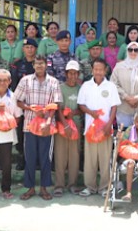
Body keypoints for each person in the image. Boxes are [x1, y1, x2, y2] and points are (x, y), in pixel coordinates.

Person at [15, 55, 62, 201]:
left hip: (47, 127)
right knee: (29, 157)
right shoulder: (25, 80)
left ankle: (44, 188)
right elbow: (18, 100)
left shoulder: (53, 82)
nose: (40, 66)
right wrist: (31, 108)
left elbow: (56, 103)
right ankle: (30, 188)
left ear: (46, 65)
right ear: (34, 65)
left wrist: (48, 120)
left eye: (42, 64)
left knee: (45, 157)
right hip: (29, 125)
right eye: (37, 64)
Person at [78, 59, 121, 197]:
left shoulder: (111, 86)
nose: (98, 72)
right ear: (92, 70)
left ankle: (104, 187)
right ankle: (90, 187)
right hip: (90, 129)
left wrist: (109, 125)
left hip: (105, 129)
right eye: (95, 69)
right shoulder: (86, 85)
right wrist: (92, 113)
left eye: (100, 69)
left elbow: (114, 106)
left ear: (105, 70)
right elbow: (81, 105)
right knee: (90, 160)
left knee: (104, 159)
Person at [53, 60, 82, 197]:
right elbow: (58, 109)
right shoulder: (60, 87)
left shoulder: (81, 88)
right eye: (70, 73)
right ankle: (59, 185)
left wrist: (75, 113)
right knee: (60, 156)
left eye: (75, 73)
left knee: (74, 157)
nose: (73, 76)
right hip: (62, 127)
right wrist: (65, 124)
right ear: (66, 74)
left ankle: (72, 184)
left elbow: (83, 108)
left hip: (76, 126)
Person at [0, 69, 20, 199]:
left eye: (5, 80)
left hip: (7, 135)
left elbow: (17, 116)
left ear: (10, 81)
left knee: (6, 165)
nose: (2, 83)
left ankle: (6, 189)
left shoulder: (13, 96)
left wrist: (9, 125)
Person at [111, 42, 138, 128]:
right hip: (123, 106)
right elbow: (113, 84)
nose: (133, 52)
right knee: (124, 134)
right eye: (130, 50)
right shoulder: (119, 67)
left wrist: (137, 98)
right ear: (127, 51)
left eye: (136, 50)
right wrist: (126, 97)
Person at [10, 38, 37, 171]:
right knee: (21, 132)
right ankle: (22, 158)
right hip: (21, 103)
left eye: (32, 47)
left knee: (36, 131)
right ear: (23, 49)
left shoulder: (39, 64)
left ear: (35, 49)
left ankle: (35, 160)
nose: (29, 49)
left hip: (36, 104)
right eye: (27, 47)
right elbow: (13, 85)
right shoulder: (17, 65)